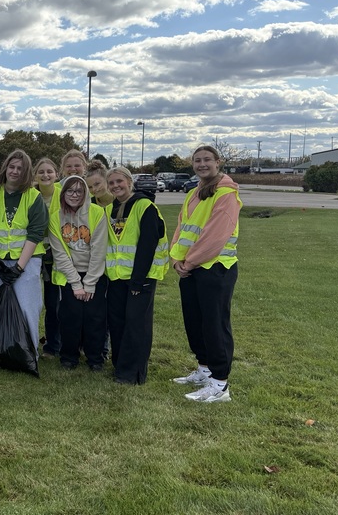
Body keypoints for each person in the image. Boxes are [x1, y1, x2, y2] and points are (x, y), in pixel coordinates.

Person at [169, 145, 241, 403]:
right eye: (197, 160)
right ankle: (204, 369)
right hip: (190, 268)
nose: (202, 164)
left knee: (214, 324)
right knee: (195, 322)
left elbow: (216, 236)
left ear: (217, 162)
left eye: (207, 160)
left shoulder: (226, 194)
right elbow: (181, 226)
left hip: (215, 269)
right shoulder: (194, 192)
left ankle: (220, 384)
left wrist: (189, 262)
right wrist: (176, 257)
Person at [104, 167, 168, 385]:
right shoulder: (109, 209)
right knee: (118, 324)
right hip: (117, 278)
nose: (115, 186)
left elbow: (147, 245)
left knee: (136, 325)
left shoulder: (144, 206)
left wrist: (138, 281)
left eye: (119, 181)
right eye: (111, 183)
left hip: (140, 278)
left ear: (129, 181)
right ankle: (120, 366)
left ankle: (133, 372)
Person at [0, 149, 47, 354]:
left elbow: (35, 233)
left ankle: (28, 353)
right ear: (5, 168)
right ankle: (2, 351)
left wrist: (19, 267)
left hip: (27, 262)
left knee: (28, 308)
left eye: (20, 168)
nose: (15, 171)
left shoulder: (33, 197)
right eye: (12, 167)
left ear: (26, 172)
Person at [48, 175, 108, 371]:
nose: (74, 195)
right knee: (69, 318)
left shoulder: (98, 213)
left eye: (79, 191)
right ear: (63, 193)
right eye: (70, 191)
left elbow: (99, 250)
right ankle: (68, 357)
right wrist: (75, 283)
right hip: (69, 276)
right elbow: (59, 253)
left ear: (85, 193)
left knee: (95, 318)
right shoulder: (56, 217)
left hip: (94, 274)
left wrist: (89, 282)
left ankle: (95, 358)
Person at [34, 157, 62, 357]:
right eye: (41, 171)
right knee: (34, 303)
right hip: (33, 255)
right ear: (35, 175)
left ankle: (53, 345)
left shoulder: (63, 195)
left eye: (49, 171)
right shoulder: (30, 195)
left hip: (57, 257)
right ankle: (30, 340)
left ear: (56, 174)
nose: (45, 175)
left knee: (54, 303)